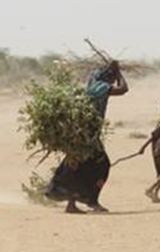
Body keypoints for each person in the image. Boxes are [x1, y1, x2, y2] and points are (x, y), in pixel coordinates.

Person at [46, 60, 129, 214]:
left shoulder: (92, 84)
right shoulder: (101, 87)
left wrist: (112, 70)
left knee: (76, 167)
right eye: (111, 78)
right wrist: (118, 72)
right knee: (102, 165)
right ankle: (92, 201)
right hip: (88, 134)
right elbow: (123, 89)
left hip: (80, 132)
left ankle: (71, 204)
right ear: (108, 78)